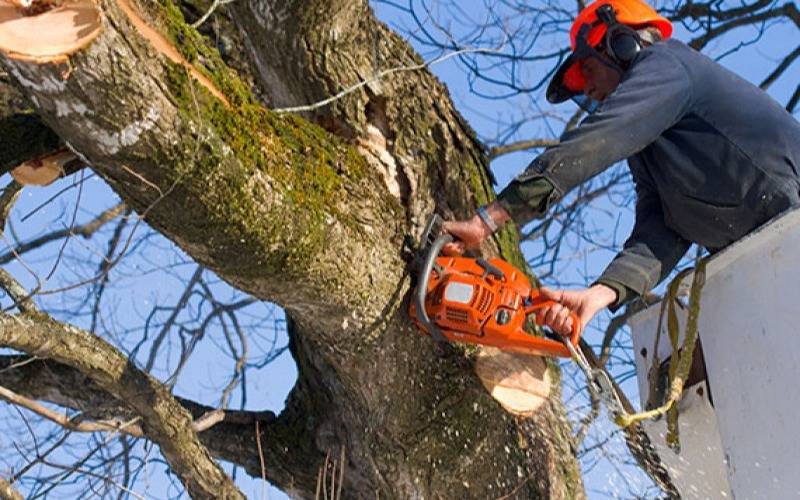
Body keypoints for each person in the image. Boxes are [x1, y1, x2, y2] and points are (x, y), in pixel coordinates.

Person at [443, 0, 800, 336]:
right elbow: (661, 230)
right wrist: (599, 294)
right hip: (770, 259)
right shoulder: (651, 149)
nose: (589, 90)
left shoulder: (668, 64)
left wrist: (489, 219)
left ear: (622, 44)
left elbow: (599, 139)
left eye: (588, 69)